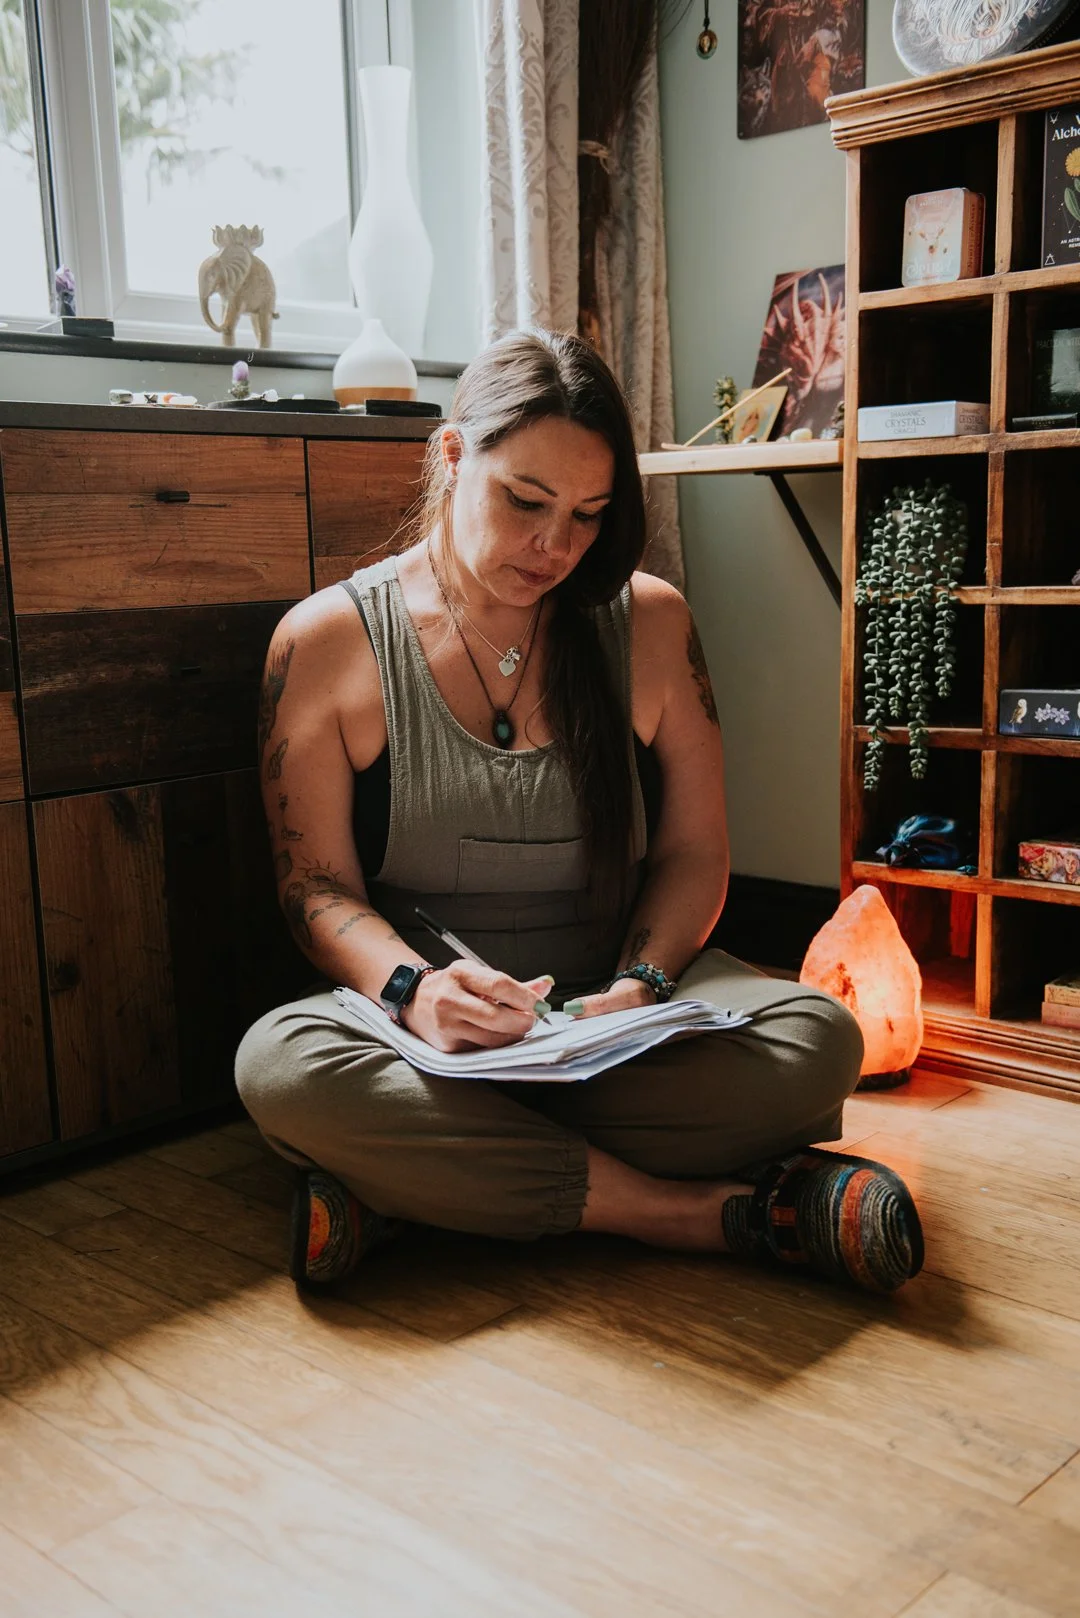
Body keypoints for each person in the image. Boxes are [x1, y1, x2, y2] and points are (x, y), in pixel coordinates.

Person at [235, 328, 923, 1295]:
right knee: (280, 1068)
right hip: (424, 1032)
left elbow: (693, 853)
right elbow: (315, 889)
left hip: (614, 1022)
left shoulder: (652, 622)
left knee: (818, 1042)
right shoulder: (325, 642)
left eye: (589, 516)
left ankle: (410, 1184)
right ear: (452, 454)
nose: (555, 547)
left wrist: (640, 987)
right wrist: (415, 993)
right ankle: (694, 1214)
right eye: (525, 502)